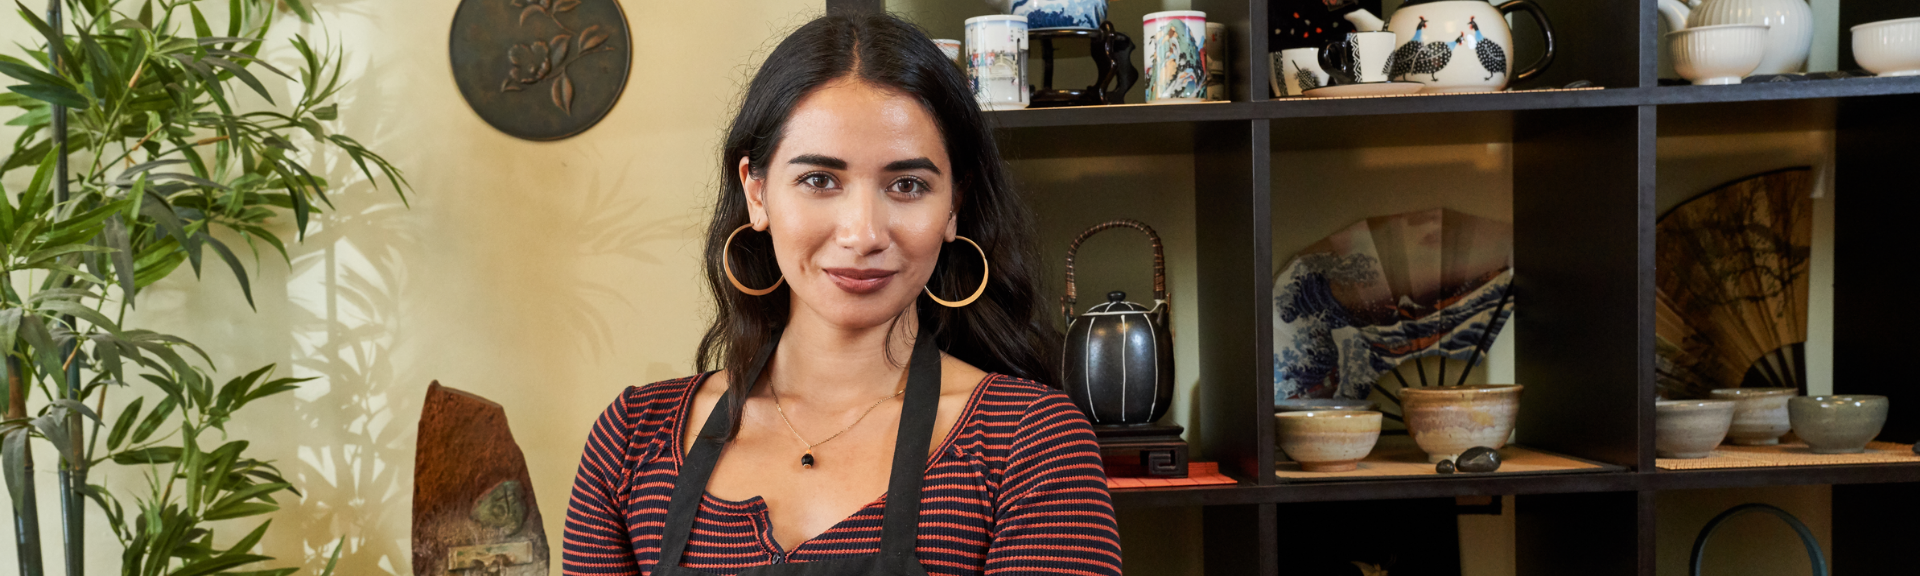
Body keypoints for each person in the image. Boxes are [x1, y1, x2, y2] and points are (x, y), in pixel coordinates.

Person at [560, 11, 1121, 576]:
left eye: (907, 185)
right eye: (819, 180)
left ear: (954, 204)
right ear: (757, 194)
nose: (863, 234)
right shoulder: (634, 441)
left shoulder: (1031, 443)